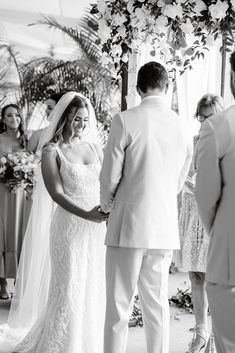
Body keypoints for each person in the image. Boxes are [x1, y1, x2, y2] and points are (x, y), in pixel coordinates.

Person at [0, 92, 108, 353]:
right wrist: (88, 214)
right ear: (64, 117)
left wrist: (105, 212)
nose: (81, 125)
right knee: (68, 286)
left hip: (95, 230)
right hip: (69, 226)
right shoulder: (52, 150)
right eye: (76, 119)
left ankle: (88, 344)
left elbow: (106, 183)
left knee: (91, 285)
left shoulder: (95, 148)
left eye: (84, 119)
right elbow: (56, 194)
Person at [100, 61, 193, 353]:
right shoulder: (183, 126)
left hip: (128, 222)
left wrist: (107, 207)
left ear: (138, 88)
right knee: (157, 305)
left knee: (118, 305)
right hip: (163, 224)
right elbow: (180, 178)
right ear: (167, 87)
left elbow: (110, 176)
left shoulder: (125, 119)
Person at [174, 94, 225, 353]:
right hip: (194, 216)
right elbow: (181, 176)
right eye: (201, 117)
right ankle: (201, 332)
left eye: (210, 116)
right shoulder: (192, 143)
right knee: (196, 274)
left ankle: (218, 335)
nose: (205, 121)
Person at [195, 52, 235, 353]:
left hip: (230, 258)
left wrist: (220, 233)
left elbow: (206, 198)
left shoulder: (219, 127)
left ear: (233, 79)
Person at [0, 104, 28, 300]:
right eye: (9, 115)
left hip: (21, 196)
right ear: (2, 119)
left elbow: (36, 164)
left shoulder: (28, 140)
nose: (13, 118)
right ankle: (2, 283)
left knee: (20, 235)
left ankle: (19, 282)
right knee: (1, 235)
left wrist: (24, 175)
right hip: (1, 193)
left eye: (17, 114)